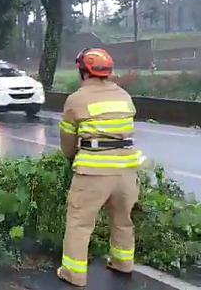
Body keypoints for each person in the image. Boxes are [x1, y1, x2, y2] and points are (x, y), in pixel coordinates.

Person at [57, 48, 146, 287]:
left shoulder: (76, 99)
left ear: (84, 72)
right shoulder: (124, 97)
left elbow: (68, 142)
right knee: (123, 219)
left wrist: (71, 157)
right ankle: (123, 262)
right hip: (127, 171)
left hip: (94, 173)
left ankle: (74, 273)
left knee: (80, 222)